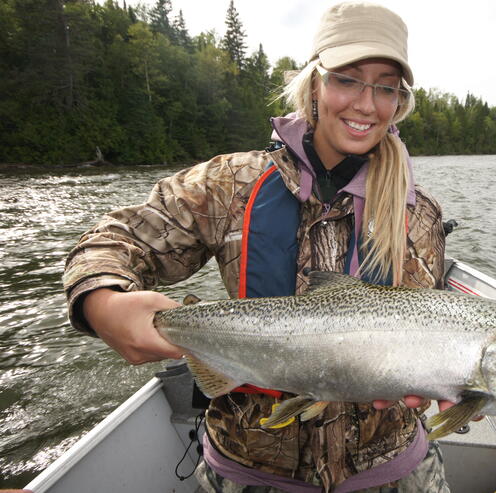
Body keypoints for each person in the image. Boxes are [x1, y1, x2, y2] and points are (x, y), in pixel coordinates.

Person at [62, 2, 449, 492]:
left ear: (399, 100)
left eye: (385, 87)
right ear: (313, 84)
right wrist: (101, 301)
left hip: (394, 470)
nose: (367, 105)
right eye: (347, 79)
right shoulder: (228, 184)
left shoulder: (422, 213)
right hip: (248, 471)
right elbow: (111, 241)